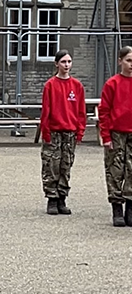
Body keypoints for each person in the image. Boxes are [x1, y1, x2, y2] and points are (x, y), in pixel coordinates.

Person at [99, 46, 132, 228]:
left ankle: (131, 210)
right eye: (129, 60)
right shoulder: (112, 84)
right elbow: (104, 111)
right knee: (115, 171)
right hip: (117, 133)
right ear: (120, 61)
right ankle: (117, 210)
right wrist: (105, 136)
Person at [38, 50, 84, 216]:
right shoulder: (50, 85)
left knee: (66, 165)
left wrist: (80, 132)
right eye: (63, 62)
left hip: (70, 132)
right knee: (51, 165)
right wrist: (46, 132)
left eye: (69, 62)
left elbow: (80, 111)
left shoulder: (77, 86)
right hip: (54, 131)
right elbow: (46, 111)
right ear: (57, 64)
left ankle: (62, 197)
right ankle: (52, 197)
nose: (66, 65)